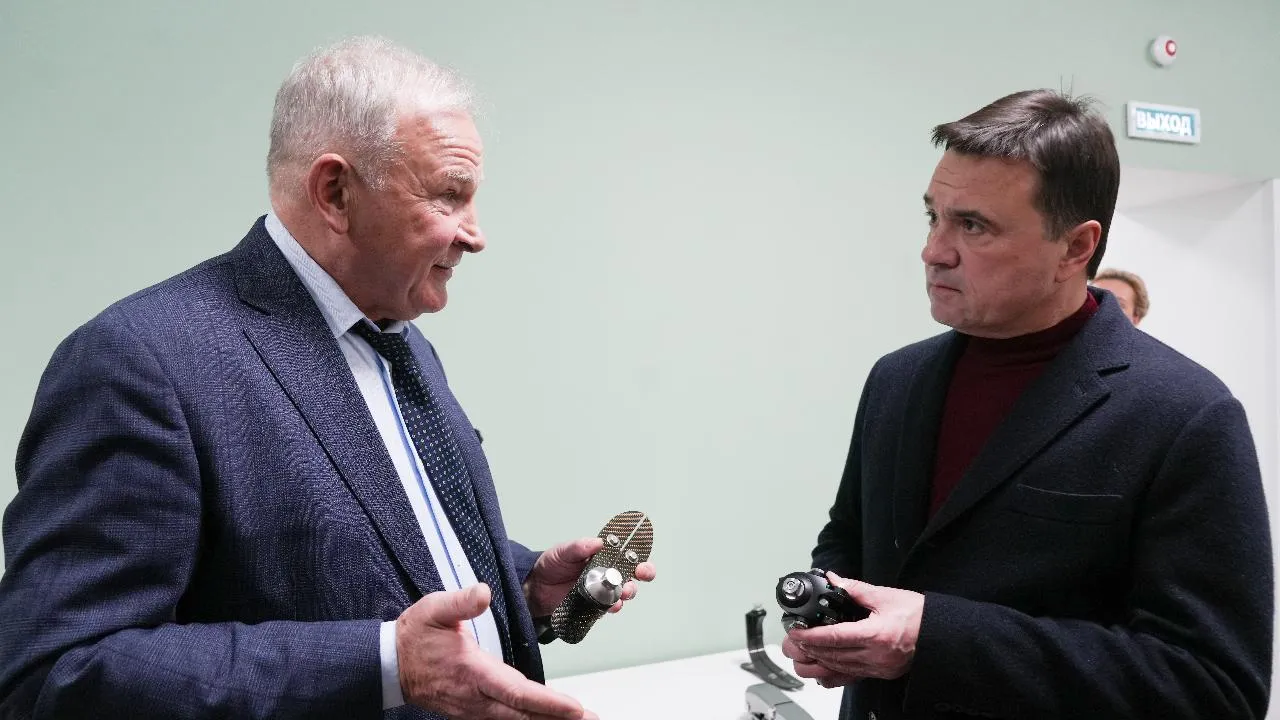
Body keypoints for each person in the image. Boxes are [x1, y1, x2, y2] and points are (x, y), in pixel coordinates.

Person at [0, 36, 654, 720]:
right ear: (335, 192)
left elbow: (375, 549)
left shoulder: (399, 339)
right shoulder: (138, 362)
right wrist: (386, 663)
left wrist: (521, 586)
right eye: (448, 196)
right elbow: (55, 671)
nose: (475, 234)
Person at [782, 89, 1272, 719]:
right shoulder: (896, 379)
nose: (934, 250)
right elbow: (850, 538)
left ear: (1075, 248)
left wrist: (934, 639)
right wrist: (832, 618)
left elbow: (1213, 688)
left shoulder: (1185, 414)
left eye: (973, 226)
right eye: (933, 216)